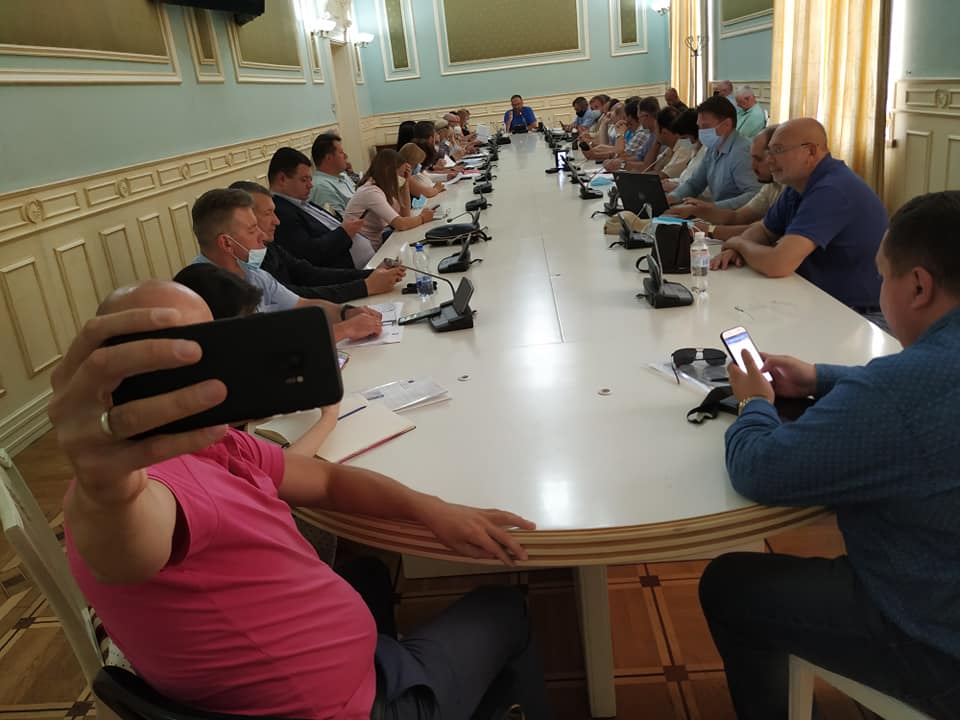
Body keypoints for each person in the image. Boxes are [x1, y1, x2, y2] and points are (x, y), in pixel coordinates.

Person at [54, 278, 553, 720]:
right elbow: (126, 550)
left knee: (369, 573)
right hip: (345, 708)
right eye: (162, 359)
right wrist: (106, 490)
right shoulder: (129, 486)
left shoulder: (216, 442)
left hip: (318, 680)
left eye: (206, 343)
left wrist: (432, 509)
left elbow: (326, 481)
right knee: (504, 607)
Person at [699, 191, 960, 720]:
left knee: (729, 586)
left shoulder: (898, 391)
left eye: (882, 276)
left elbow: (759, 469)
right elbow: (919, 398)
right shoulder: (914, 382)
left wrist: (754, 401)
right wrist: (820, 378)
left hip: (935, 639)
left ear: (918, 286)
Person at [710, 118, 887, 316]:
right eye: (769, 152)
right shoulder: (797, 185)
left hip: (858, 315)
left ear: (810, 151)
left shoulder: (832, 190)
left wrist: (739, 244)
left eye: (778, 150)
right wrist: (736, 249)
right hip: (817, 299)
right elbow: (764, 231)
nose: (769, 160)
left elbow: (778, 264)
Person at [187, 187, 381, 342]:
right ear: (226, 243)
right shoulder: (202, 291)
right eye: (252, 230)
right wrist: (345, 330)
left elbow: (302, 304)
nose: (262, 236)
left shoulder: (251, 272)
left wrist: (346, 312)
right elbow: (262, 349)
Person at [230, 181, 405, 301]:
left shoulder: (268, 247)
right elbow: (294, 296)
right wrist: (365, 286)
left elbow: (310, 273)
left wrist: (371, 275)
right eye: (268, 214)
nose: (277, 221)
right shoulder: (241, 273)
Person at [671, 125, 782, 240]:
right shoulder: (772, 186)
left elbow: (762, 231)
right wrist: (695, 210)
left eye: (758, 159)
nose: (752, 166)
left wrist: (709, 230)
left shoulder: (788, 189)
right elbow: (737, 217)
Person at [269, 147, 364, 270]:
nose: (310, 185)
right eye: (304, 180)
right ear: (282, 179)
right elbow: (309, 253)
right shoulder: (280, 212)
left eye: (310, 179)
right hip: (345, 271)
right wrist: (344, 232)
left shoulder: (301, 201)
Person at [344, 149, 436, 266]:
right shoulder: (371, 191)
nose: (401, 178)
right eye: (400, 174)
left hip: (375, 245)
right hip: (362, 253)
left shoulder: (382, 187)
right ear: (388, 171)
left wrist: (405, 184)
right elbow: (401, 224)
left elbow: (405, 215)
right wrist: (422, 218)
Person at [665, 96, 760, 209]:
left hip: (737, 217)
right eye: (699, 127)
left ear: (727, 124)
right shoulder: (713, 148)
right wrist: (671, 198)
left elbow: (755, 195)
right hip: (718, 214)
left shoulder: (742, 152)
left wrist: (712, 208)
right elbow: (694, 184)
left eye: (706, 126)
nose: (701, 132)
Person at [603, 97, 660, 172]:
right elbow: (638, 157)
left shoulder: (645, 133)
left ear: (646, 116)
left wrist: (622, 164)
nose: (639, 120)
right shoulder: (651, 134)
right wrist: (618, 161)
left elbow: (646, 166)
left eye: (639, 117)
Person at [309, 133, 356, 215]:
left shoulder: (343, 175)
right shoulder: (322, 187)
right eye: (341, 152)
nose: (346, 156)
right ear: (328, 158)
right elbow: (339, 220)